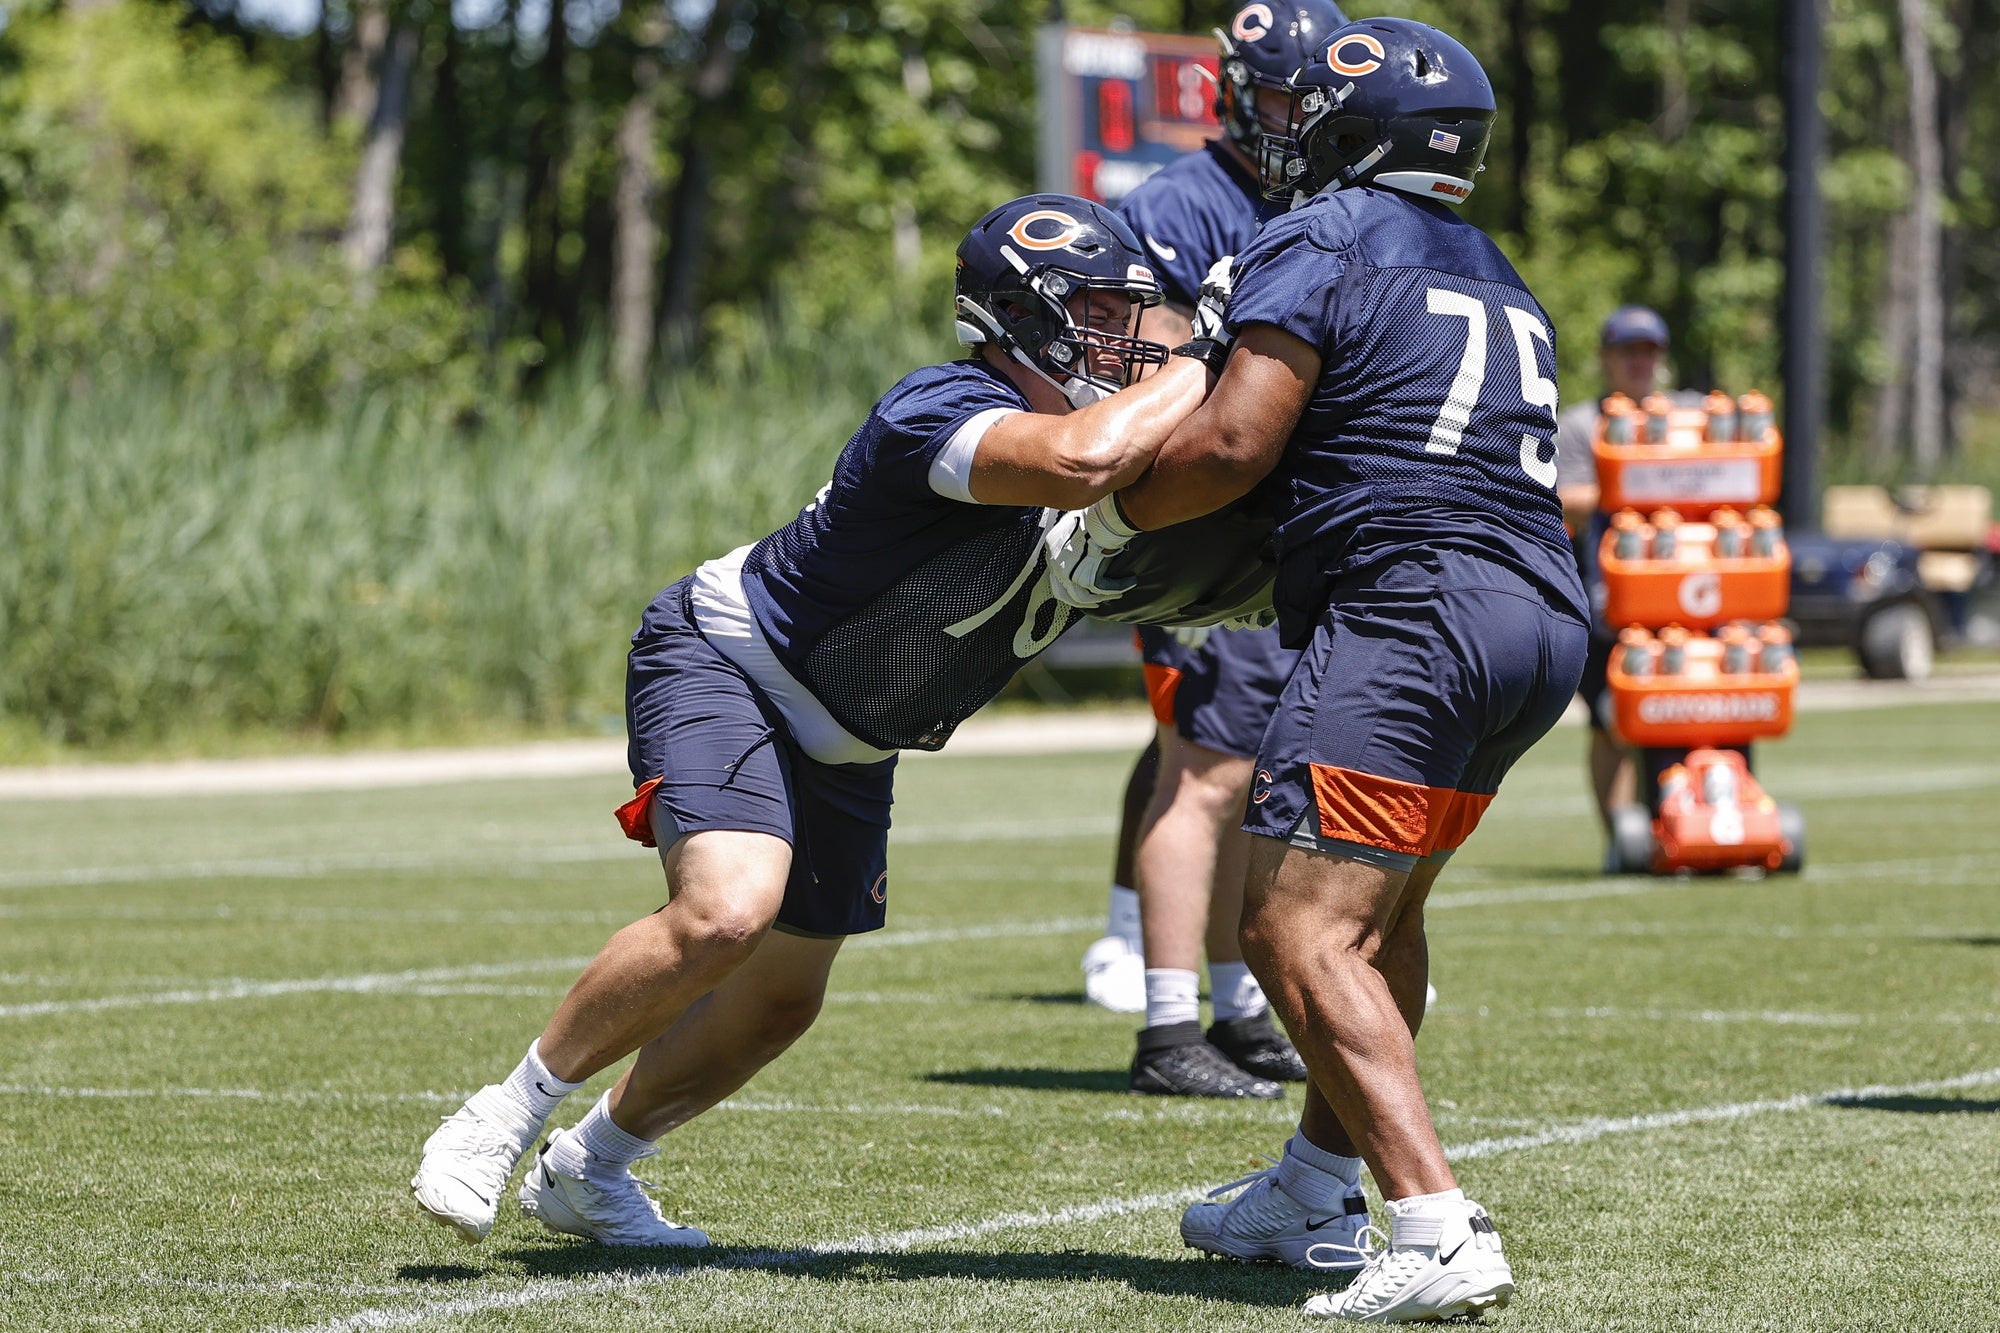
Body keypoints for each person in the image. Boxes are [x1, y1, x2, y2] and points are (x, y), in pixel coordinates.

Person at [409, 193, 1213, 1248]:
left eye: (1134, 315)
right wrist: (1206, 363)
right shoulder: (936, 405)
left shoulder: (1116, 430)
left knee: (782, 998)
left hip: (854, 733)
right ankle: (500, 1115)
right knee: (727, 910)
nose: (1130, 341)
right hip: (732, 661)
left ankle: (592, 1171)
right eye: (1102, 314)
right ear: (1021, 317)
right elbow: (1073, 462)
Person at [1046, 20, 1587, 1321]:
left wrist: (1113, 525)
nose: (1282, 132)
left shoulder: (1323, 232)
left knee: (1292, 925)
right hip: (1538, 614)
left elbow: (1235, 445)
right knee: (1378, 919)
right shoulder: (1500, 267)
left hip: (1411, 608)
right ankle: (1311, 1183)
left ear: (1358, 130)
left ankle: (1435, 1225)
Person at [1081, 0, 1344, 1101]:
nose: (1300, 121)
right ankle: (1166, 1021)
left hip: (1279, 531)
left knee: (1250, 770)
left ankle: (1234, 1006)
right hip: (1199, 522)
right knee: (1202, 771)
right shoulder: (1176, 207)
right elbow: (1128, 375)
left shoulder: (1317, 201)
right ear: (1237, 91)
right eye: (1285, 98)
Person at [1550, 305, 1670, 850]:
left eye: (1647, 351)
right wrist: (1643, 483)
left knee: (1673, 719)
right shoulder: (1581, 424)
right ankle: (1621, 837)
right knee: (1609, 722)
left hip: (1674, 596)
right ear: (1606, 359)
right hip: (1607, 596)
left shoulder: (1680, 420)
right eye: (1628, 351)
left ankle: (1676, 826)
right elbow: (1562, 499)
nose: (1638, 361)